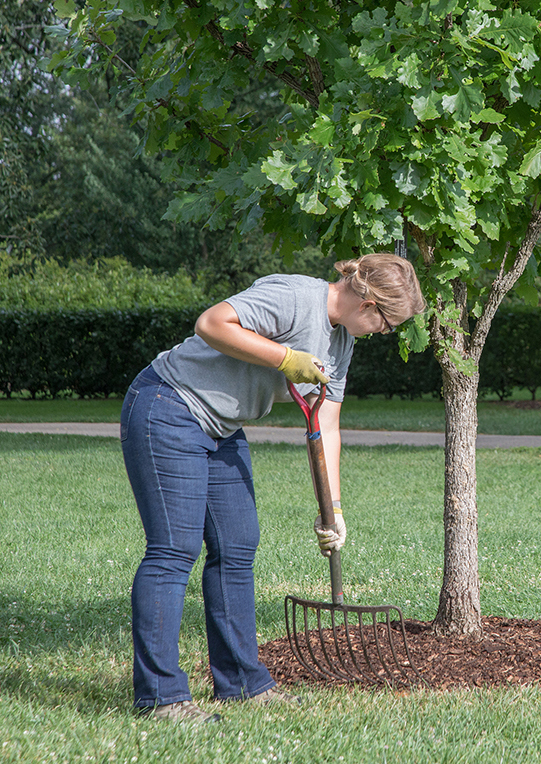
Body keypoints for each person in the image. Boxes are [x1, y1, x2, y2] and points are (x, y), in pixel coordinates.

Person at [119, 253, 426, 724]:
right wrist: (286, 358)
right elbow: (211, 323)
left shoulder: (342, 342)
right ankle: (161, 698)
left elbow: (327, 421)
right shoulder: (294, 296)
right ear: (367, 302)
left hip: (222, 426)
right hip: (169, 406)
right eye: (387, 323)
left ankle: (242, 684)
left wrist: (334, 510)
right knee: (174, 550)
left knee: (237, 545)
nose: (385, 333)